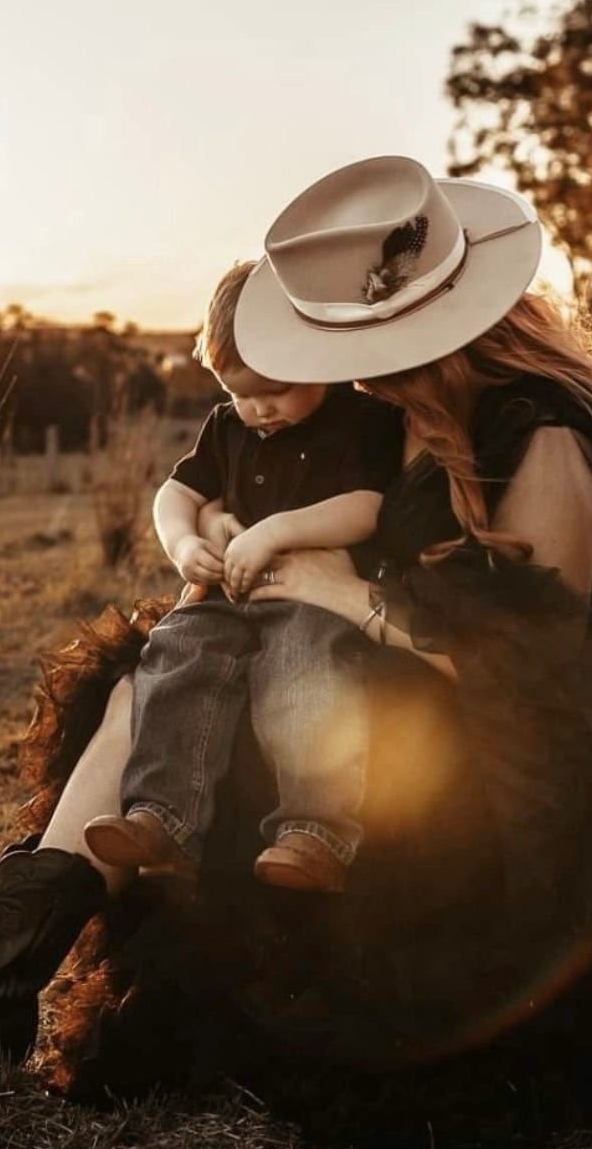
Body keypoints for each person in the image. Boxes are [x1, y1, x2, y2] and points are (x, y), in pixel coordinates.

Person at [0, 155, 592, 1143]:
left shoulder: (540, 438)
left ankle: (9, 978)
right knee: (143, 676)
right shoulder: (399, 413)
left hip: (515, 768)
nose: (344, 369)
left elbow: (530, 678)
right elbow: (324, 526)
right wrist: (248, 548)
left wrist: (339, 591)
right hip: (378, 685)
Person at [83, 260, 402, 893]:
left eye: (275, 388)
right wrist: (184, 542)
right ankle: (165, 820)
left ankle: (315, 831)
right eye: (237, 390)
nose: (258, 407)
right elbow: (174, 493)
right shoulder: (229, 427)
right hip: (231, 591)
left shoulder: (361, 419)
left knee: (301, 674)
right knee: (178, 654)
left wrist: (276, 531)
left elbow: (368, 507)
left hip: (313, 596)